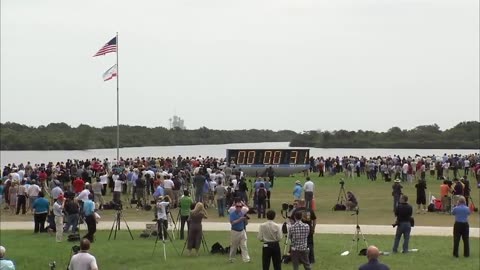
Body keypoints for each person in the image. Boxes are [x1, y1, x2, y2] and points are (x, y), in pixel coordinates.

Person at [291, 200, 316, 264]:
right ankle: (311, 259)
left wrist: (293, 227)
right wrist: (313, 228)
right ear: (305, 203)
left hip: (298, 230)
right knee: (310, 244)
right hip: (308, 229)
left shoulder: (296, 211)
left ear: (299, 204)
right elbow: (314, 219)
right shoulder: (309, 210)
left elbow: (291, 220)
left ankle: (299, 259)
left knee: (298, 244)